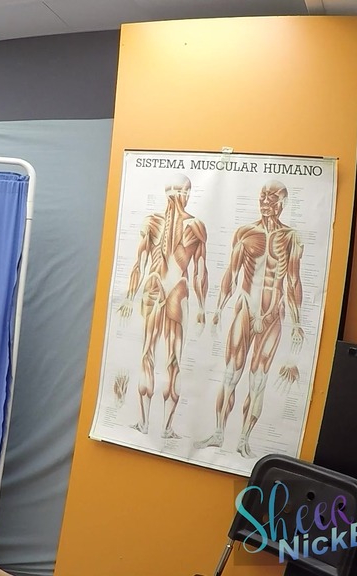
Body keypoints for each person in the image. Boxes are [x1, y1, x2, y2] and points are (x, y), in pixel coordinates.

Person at [195, 180, 305, 458]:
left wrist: (297, 321)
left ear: (283, 202)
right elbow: (231, 273)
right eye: (262, 196)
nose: (266, 201)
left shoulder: (291, 237)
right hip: (245, 308)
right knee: (231, 374)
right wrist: (218, 309)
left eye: (272, 197)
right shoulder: (245, 233)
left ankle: (243, 440)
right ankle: (219, 433)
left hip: (272, 315)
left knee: (259, 380)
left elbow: (293, 280)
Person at [117, 174, 209, 438]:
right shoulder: (193, 225)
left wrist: (129, 296)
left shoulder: (160, 222)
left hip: (160, 289)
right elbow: (200, 271)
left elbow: (140, 263)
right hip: (171, 290)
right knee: (169, 359)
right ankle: (162, 427)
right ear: (185, 193)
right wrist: (202, 308)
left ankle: (149, 424)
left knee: (151, 355)